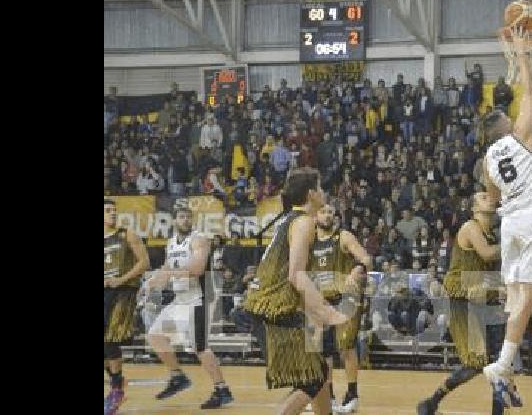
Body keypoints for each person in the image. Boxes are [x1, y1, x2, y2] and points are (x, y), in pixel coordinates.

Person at [241, 168, 350, 415]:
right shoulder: (303, 222)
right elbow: (296, 275)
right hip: (273, 309)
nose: (324, 193)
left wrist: (314, 311)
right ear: (311, 194)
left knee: (318, 372)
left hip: (266, 306)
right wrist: (327, 312)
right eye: (320, 188)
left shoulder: (289, 219)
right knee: (311, 379)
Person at [478, 33, 532, 408]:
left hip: (508, 224)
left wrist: (481, 201)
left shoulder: (487, 162)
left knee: (518, 298)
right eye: (508, 116)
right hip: (528, 219)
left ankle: (504, 369)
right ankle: (502, 364)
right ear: (503, 126)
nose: (513, 115)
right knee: (530, 295)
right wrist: (523, 56)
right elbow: (531, 93)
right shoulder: (519, 135)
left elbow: (489, 203)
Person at [416, 192, 503, 415]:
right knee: (476, 363)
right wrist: (514, 245)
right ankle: (432, 401)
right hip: (461, 296)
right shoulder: (470, 227)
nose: (490, 197)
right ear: (474, 208)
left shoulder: (492, 233)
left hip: (482, 296)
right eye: (483, 197)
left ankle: (497, 411)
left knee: (499, 361)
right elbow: (486, 254)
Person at [142, 207, 234, 409]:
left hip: (197, 300)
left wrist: (169, 274)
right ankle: (177, 377)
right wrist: (152, 280)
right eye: (181, 217)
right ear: (174, 220)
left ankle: (222, 389)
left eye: (188, 217)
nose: (185, 220)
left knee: (200, 348)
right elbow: (167, 267)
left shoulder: (199, 239)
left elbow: (197, 269)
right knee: (155, 336)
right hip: (179, 300)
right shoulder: (171, 242)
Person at [308, 204, 374, 413]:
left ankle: (352, 394)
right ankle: (328, 396)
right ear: (315, 215)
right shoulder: (310, 241)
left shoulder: (343, 236)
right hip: (322, 301)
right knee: (323, 352)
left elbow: (366, 258)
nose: (327, 215)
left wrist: (357, 268)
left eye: (331, 212)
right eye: (323, 211)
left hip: (346, 298)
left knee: (346, 347)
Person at [104, 199, 150, 415]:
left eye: (114, 210)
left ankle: (115, 390)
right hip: (106, 290)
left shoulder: (127, 234)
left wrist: (120, 280)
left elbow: (144, 263)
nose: (113, 213)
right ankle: (118, 381)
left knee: (111, 336)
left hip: (124, 291)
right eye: (108, 211)